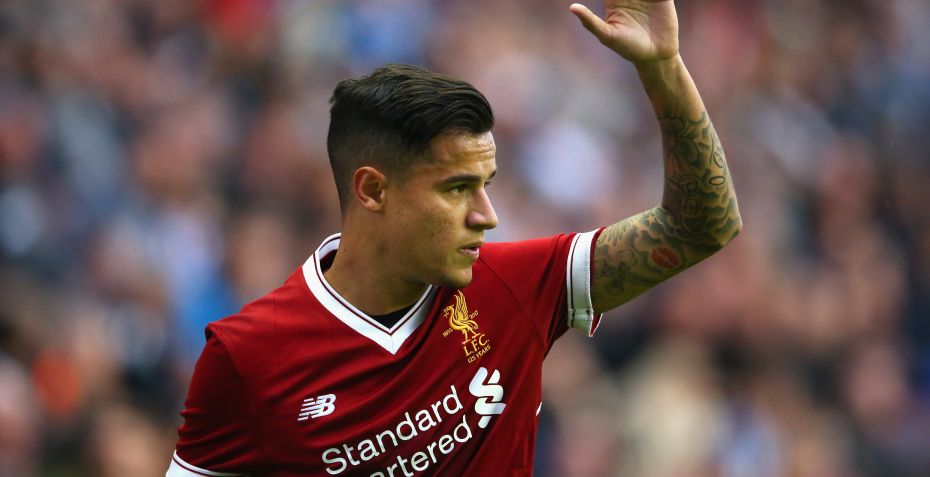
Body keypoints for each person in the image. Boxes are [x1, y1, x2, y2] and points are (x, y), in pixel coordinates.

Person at [166, 1, 741, 476]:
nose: (487, 216)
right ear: (372, 191)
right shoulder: (247, 358)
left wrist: (663, 67)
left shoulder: (516, 285)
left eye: (486, 185)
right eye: (457, 189)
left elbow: (699, 227)